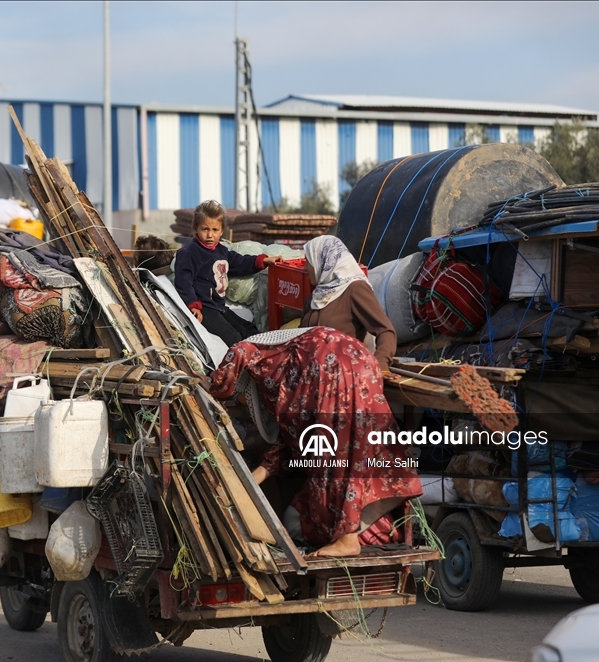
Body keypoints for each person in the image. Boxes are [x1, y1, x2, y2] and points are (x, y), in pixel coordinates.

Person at [210, 326, 422, 558]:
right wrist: (251, 481)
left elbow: (239, 350)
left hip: (328, 368)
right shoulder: (288, 377)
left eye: (241, 400)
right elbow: (291, 440)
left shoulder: (261, 357)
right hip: (358, 360)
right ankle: (349, 535)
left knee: (335, 455)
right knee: (362, 447)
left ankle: (348, 539)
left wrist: (216, 387)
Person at [174, 200, 281, 346]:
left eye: (215, 230)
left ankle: (267, 355)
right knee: (233, 338)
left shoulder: (221, 251)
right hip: (205, 309)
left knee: (248, 330)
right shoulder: (189, 253)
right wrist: (193, 305)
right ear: (195, 229)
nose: (210, 235)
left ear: (222, 230)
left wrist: (262, 261)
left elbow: (239, 262)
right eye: (205, 229)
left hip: (219, 307)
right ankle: (245, 364)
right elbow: (183, 280)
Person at [300, 235, 396, 372]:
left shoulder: (354, 289)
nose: (305, 267)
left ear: (323, 260)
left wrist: (381, 364)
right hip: (312, 375)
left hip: (345, 376)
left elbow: (386, 330)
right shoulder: (314, 297)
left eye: (308, 261)